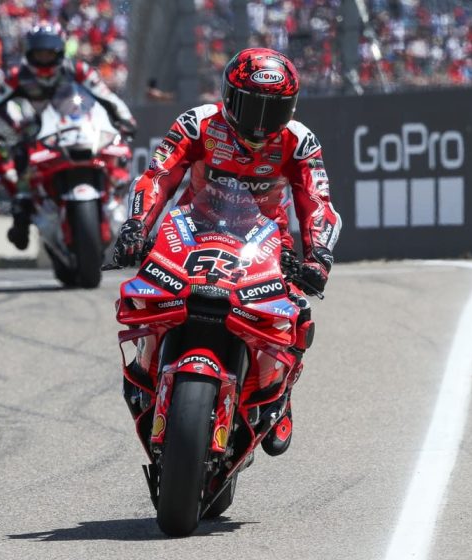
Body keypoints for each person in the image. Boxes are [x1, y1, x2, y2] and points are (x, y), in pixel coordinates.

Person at [112, 48, 341, 456]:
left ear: (291, 107)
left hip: (265, 241)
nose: (260, 121)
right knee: (146, 291)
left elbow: (317, 203)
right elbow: (158, 176)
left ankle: (280, 393)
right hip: (191, 231)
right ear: (229, 97)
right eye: (252, 106)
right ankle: (147, 368)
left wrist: (317, 257)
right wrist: (136, 226)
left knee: (297, 310)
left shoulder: (300, 141)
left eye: (274, 109)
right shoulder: (198, 123)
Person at [0, 23, 138, 250]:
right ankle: (21, 217)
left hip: (77, 126)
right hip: (39, 130)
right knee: (20, 156)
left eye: (49, 52)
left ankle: (117, 193)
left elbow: (106, 96)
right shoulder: (18, 76)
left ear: (59, 51)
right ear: (30, 53)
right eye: (39, 53)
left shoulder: (78, 69)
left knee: (116, 148)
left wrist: (125, 118)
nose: (44, 57)